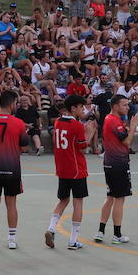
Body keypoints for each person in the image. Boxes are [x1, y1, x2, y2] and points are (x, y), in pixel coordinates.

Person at [95, 93, 138, 244]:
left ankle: (100, 231)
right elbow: (127, 141)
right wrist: (134, 124)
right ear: (116, 106)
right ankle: (117, 234)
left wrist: (129, 124)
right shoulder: (114, 121)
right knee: (119, 199)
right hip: (119, 163)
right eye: (124, 104)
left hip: (109, 163)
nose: (127, 107)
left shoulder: (110, 119)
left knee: (110, 197)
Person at [0, 89, 29, 252]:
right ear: (11, 104)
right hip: (12, 169)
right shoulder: (19, 123)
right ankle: (12, 239)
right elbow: (24, 148)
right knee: (12, 204)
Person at [46, 93, 89, 250]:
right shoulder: (77, 126)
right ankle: (73, 239)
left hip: (62, 168)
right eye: (80, 107)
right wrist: (89, 132)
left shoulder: (58, 122)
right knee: (78, 202)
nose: (83, 110)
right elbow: (83, 148)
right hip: (76, 169)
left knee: (63, 200)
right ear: (73, 108)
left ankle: (51, 227)